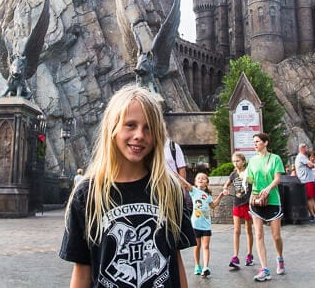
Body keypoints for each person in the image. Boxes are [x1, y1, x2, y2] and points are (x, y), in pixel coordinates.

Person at [59, 85, 195, 288]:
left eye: (148, 127)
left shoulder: (169, 190)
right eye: (130, 125)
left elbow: (175, 262)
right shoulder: (87, 194)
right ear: (112, 129)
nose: (140, 135)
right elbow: (82, 271)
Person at [246, 132, 285, 282]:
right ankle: (265, 269)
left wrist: (268, 188)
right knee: (259, 235)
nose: (255, 144)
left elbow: (277, 178)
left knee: (276, 236)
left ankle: (280, 257)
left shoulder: (275, 159)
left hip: (272, 200)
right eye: (254, 142)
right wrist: (244, 180)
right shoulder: (252, 161)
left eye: (257, 141)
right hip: (256, 200)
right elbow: (250, 179)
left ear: (266, 143)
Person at [180, 172, 227, 277]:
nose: (201, 180)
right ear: (196, 182)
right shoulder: (194, 191)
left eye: (203, 178)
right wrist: (177, 174)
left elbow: (213, 205)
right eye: (198, 179)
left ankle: (206, 267)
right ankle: (197, 265)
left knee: (206, 246)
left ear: (207, 183)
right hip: (195, 224)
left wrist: (220, 195)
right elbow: (185, 183)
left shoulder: (208, 195)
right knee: (197, 246)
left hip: (206, 225)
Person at [223, 151, 254, 269]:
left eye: (238, 161)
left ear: (243, 161)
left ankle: (249, 254)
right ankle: (235, 256)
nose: (235, 163)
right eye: (234, 161)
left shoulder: (248, 172)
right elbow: (226, 185)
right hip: (237, 203)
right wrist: (225, 189)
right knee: (236, 230)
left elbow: (253, 183)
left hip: (247, 203)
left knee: (248, 229)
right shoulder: (233, 174)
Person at [295, 144, 315, 222]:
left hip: (309, 180)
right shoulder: (301, 156)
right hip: (306, 180)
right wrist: (311, 164)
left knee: (312, 198)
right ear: (302, 148)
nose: (307, 149)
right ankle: (312, 215)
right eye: (306, 148)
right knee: (309, 198)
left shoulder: (303, 157)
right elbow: (311, 165)